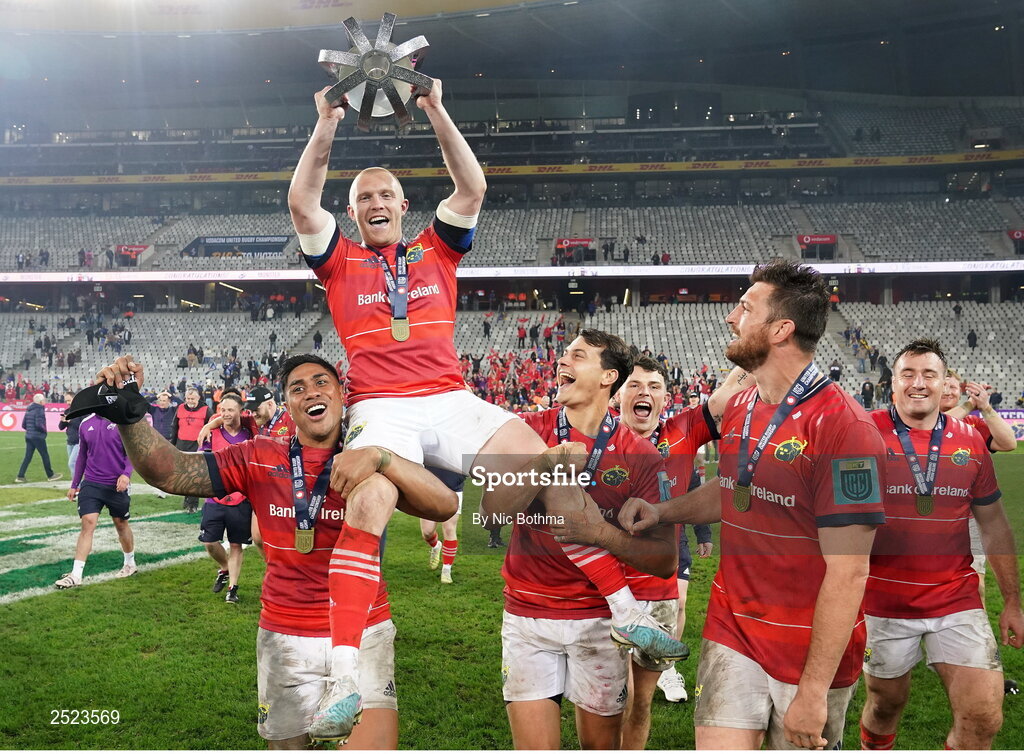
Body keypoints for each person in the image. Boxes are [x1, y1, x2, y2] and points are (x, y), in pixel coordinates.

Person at [287, 79, 685, 737]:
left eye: (385, 195)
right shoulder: (339, 260)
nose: (376, 203)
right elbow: (303, 202)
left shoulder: (435, 248)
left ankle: (625, 611)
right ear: (352, 213)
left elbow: (471, 187)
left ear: (404, 205)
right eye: (364, 198)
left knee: (547, 466)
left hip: (449, 398)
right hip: (381, 408)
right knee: (368, 504)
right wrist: (326, 121)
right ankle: (343, 679)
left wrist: (436, 109)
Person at [93, 352, 458, 748]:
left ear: (341, 395)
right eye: (297, 388)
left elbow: (443, 505)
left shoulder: (371, 454)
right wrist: (129, 415)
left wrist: (382, 459)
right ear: (288, 405)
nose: (311, 392)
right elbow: (172, 471)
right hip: (286, 634)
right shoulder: (259, 455)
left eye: (321, 382)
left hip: (364, 631)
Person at [620, 259, 887, 749]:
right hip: (733, 625)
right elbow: (733, 490)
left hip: (805, 643)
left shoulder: (846, 428)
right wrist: (663, 511)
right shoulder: (742, 405)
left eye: (745, 308)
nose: (731, 317)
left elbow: (850, 571)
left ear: (781, 329)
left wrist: (813, 691)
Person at [496, 330, 681, 750]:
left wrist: (599, 533)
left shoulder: (642, 455)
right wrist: (544, 463)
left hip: (596, 622)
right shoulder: (527, 430)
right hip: (528, 615)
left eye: (577, 355)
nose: (562, 361)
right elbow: (492, 514)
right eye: (564, 354)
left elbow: (664, 560)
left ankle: (626, 610)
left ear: (607, 377)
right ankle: (628, 610)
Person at [859, 339, 1024, 750]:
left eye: (929, 374)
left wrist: (1012, 601)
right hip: (881, 600)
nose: (918, 383)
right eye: (908, 374)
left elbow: (994, 525)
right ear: (892, 383)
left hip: (956, 598)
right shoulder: (861, 433)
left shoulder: (970, 440)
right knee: (885, 705)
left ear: (943, 382)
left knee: (984, 716)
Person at [612, 356, 749, 745]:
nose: (644, 392)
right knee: (612, 698)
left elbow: (732, 389)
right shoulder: (599, 435)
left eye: (654, 386)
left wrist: (760, 341)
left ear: (665, 397)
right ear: (618, 394)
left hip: (659, 590)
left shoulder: (683, 430)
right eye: (635, 385)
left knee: (640, 703)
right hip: (607, 588)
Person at [54, 412, 136, 588]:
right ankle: (76, 575)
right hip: (91, 483)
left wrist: (126, 474)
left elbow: (131, 452)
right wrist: (75, 484)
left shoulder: (122, 422)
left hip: (116, 484)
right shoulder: (85, 423)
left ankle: (130, 563)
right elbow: (82, 456)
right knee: (88, 523)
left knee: (121, 524)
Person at [198, 393, 253, 604]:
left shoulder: (250, 434)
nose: (226, 414)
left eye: (230, 410)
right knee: (209, 542)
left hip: (240, 499)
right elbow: (202, 461)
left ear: (240, 411)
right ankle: (224, 567)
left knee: (236, 545)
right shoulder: (211, 433)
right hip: (215, 498)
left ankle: (233, 589)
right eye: (223, 410)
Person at [420, 467, 464, 584]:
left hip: (453, 490)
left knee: (449, 529)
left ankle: (446, 570)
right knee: (427, 532)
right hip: (429, 489)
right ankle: (436, 546)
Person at [171, 387, 212, 513]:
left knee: (195, 475)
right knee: (184, 474)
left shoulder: (206, 410)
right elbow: (175, 426)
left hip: (197, 446)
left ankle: (193, 504)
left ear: (198, 398)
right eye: (188, 398)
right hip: (181, 445)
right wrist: (173, 444)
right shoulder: (180, 408)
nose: (190, 401)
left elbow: (212, 428)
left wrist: (208, 447)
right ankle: (186, 499)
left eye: (193, 398)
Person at [15, 394, 62, 483]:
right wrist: (44, 431)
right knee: (45, 455)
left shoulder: (29, 409)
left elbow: (23, 425)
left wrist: (30, 430)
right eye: (44, 400)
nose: (45, 401)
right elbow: (39, 424)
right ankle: (50, 475)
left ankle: (20, 476)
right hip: (38, 437)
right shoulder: (39, 410)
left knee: (27, 457)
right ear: (40, 402)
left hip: (29, 436)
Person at [59, 391, 83, 478]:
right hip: (70, 442)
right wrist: (63, 421)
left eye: (69, 400)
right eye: (66, 401)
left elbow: (83, 426)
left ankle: (76, 484)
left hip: (79, 442)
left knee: (72, 463)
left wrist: (70, 421)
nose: (67, 403)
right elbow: (60, 427)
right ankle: (77, 483)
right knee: (74, 464)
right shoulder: (67, 411)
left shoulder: (81, 411)